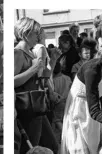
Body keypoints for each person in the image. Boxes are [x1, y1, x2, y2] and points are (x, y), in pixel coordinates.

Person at [14, 17, 58, 154]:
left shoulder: (30, 52)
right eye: (35, 33)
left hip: (37, 106)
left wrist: (54, 60)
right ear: (25, 33)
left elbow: (42, 77)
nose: (38, 37)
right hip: (28, 108)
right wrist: (34, 68)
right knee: (31, 148)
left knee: (52, 146)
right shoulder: (18, 52)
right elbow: (12, 81)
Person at [52, 62, 72, 144]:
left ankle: (66, 135)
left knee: (57, 120)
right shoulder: (67, 78)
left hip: (58, 103)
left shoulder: (53, 80)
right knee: (66, 120)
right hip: (68, 102)